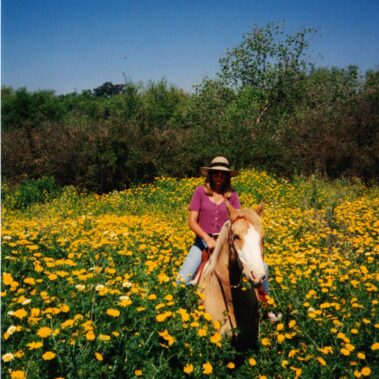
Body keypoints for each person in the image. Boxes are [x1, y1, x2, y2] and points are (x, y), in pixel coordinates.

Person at [177, 156, 281, 322]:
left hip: (225, 242)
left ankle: (266, 306)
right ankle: (179, 310)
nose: (219, 176)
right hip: (203, 242)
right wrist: (206, 239)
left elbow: (237, 220)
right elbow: (192, 221)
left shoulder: (232, 195)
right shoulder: (200, 192)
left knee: (263, 268)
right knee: (182, 279)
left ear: (228, 177)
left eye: (223, 174)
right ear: (210, 174)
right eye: (216, 173)